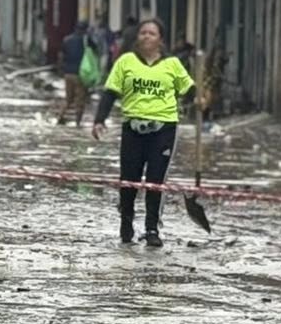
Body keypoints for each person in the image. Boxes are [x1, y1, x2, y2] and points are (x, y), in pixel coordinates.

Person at [92, 18, 194, 248]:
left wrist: (198, 99)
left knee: (156, 181)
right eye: (143, 33)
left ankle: (151, 228)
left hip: (164, 129)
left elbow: (189, 90)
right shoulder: (125, 62)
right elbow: (110, 93)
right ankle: (126, 222)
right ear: (137, 37)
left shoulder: (173, 64)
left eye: (152, 33)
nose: (146, 36)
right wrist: (99, 120)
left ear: (161, 40)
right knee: (129, 180)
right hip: (133, 129)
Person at [59, 20, 90, 126]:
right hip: (80, 74)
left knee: (68, 98)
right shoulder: (86, 41)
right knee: (80, 100)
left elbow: (61, 56)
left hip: (68, 73)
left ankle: (61, 117)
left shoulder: (66, 40)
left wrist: (62, 69)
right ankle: (78, 122)